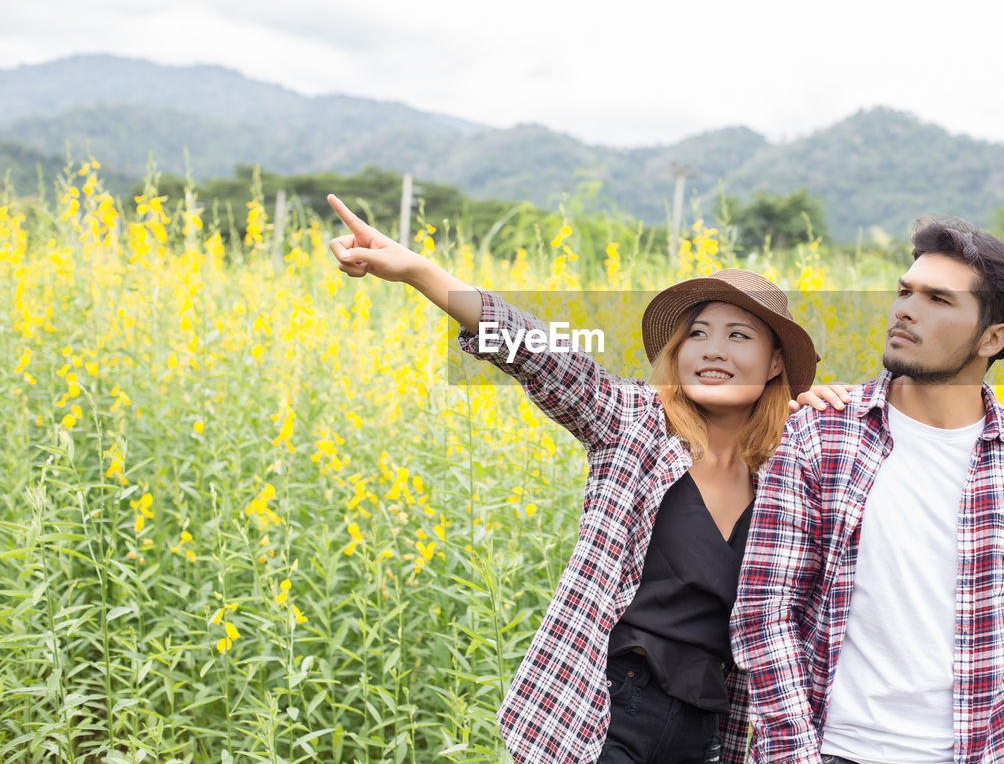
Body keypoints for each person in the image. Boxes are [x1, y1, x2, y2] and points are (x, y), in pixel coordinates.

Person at [324, 193, 836, 764]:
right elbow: (538, 354)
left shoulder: (789, 471)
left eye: (738, 336)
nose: (712, 351)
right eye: (698, 333)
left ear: (773, 365)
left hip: (707, 733)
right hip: (603, 716)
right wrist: (418, 271)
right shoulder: (634, 423)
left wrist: (833, 413)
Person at [731, 217, 1004, 764]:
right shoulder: (819, 434)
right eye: (904, 291)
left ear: (993, 338)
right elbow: (765, 613)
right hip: (833, 749)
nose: (905, 309)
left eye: (939, 298)